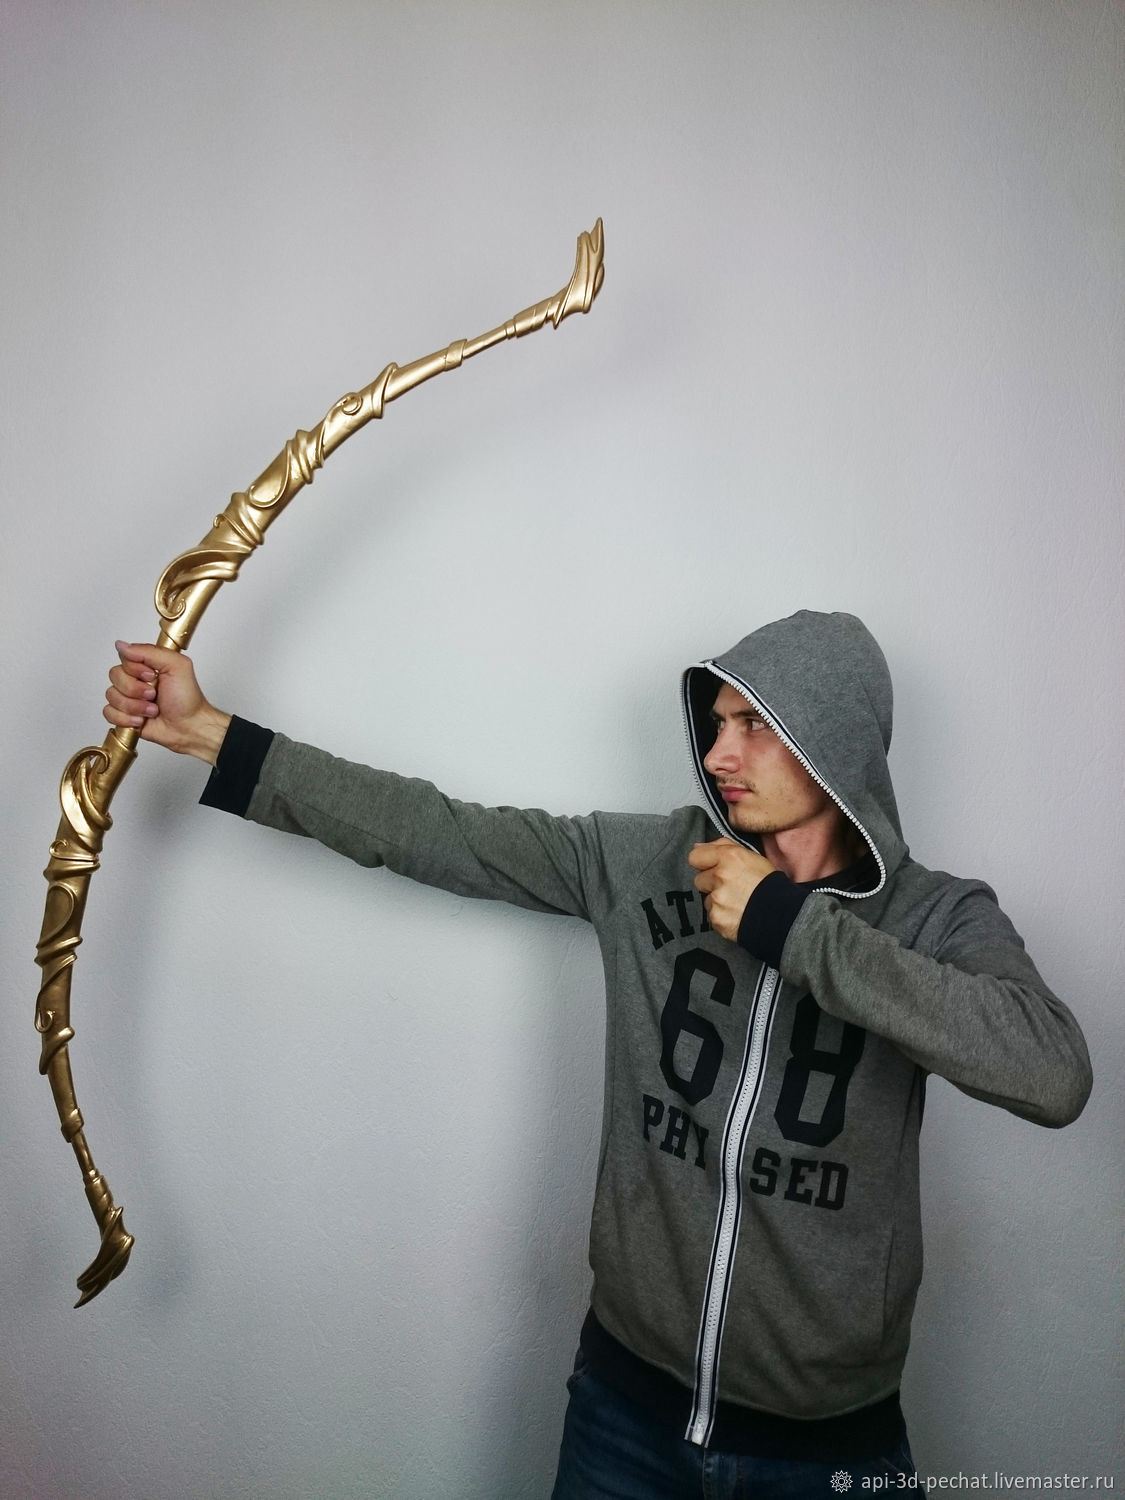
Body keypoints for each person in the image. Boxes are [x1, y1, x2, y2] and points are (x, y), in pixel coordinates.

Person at [104, 610, 1091, 1498]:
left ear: (832, 742)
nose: (718, 753)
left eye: (753, 725)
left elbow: (1052, 1074)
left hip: (825, 1452)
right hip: (625, 1418)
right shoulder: (648, 862)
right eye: (717, 723)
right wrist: (209, 734)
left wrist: (793, 930)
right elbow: (435, 831)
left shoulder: (936, 918)